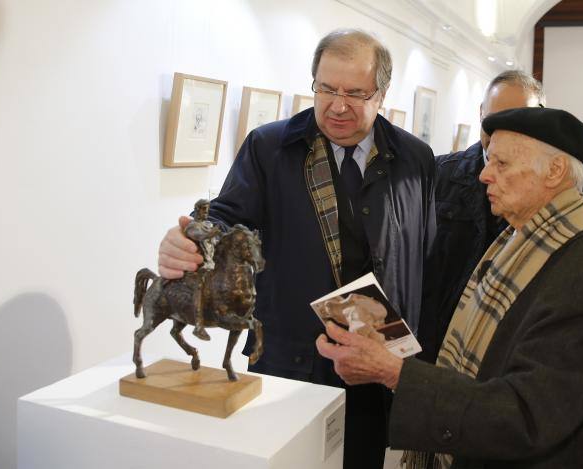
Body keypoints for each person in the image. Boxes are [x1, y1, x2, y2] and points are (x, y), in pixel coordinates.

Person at [156, 29, 436, 469]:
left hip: (375, 359)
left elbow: (425, 254)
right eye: (326, 89)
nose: (337, 105)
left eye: (355, 93)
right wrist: (192, 238)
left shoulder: (415, 158)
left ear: (382, 94)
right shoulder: (269, 147)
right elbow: (226, 216)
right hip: (292, 360)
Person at [317, 107, 583, 469]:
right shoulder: (518, 242)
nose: (484, 174)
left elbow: (525, 417)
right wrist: (389, 352)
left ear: (554, 171)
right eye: (489, 160)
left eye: (501, 164)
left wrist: (393, 372)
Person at [418, 70, 544, 362]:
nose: (503, 132)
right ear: (480, 113)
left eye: (518, 121)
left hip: (505, 349)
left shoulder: (548, 190)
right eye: (494, 120)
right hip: (433, 343)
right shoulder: (438, 174)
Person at [182, 199, 222, 340]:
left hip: (212, 265)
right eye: (203, 209)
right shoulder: (192, 226)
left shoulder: (208, 225)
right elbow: (199, 236)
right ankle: (199, 326)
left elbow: (215, 241)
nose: (206, 212)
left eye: (207, 209)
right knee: (200, 288)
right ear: (197, 209)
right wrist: (212, 233)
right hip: (198, 267)